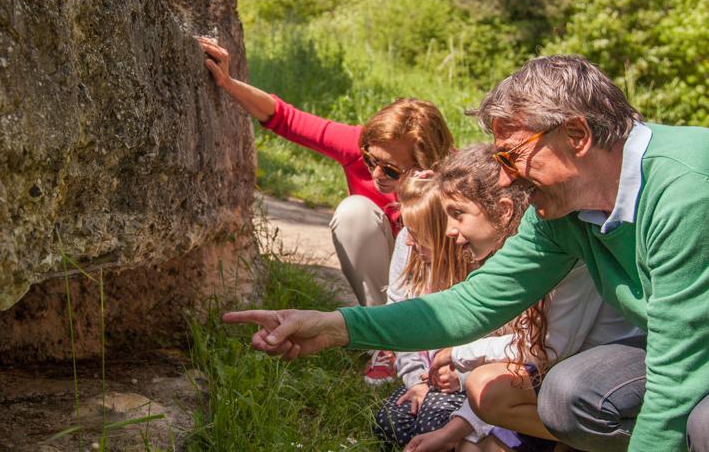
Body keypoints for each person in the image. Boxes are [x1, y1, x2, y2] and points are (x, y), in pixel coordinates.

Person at [223, 55, 709, 452]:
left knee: (699, 424)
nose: (503, 178)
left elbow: (675, 379)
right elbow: (472, 304)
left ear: (576, 137)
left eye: (511, 156)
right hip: (672, 341)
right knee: (569, 396)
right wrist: (335, 326)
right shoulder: (565, 210)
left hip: (686, 351)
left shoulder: (684, 193)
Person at [198, 37, 453, 383]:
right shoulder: (358, 146)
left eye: (391, 170)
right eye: (370, 160)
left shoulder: (450, 180)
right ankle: (384, 339)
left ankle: (430, 342)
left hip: (433, 274)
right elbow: (282, 117)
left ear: (425, 165)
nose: (376, 174)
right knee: (354, 212)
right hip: (385, 274)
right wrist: (227, 82)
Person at [381, 145, 643, 452]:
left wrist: (459, 353)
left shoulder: (559, 250)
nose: (450, 230)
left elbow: (545, 349)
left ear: (505, 210)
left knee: (485, 392)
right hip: (550, 383)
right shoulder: (500, 256)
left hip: (601, 378)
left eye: (457, 214)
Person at [373, 174, 473, 446]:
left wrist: (462, 375)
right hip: (425, 378)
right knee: (391, 422)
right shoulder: (419, 269)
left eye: (416, 236)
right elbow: (403, 330)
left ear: (444, 236)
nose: (408, 243)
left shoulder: (474, 278)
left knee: (434, 420)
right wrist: (415, 380)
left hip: (468, 385)